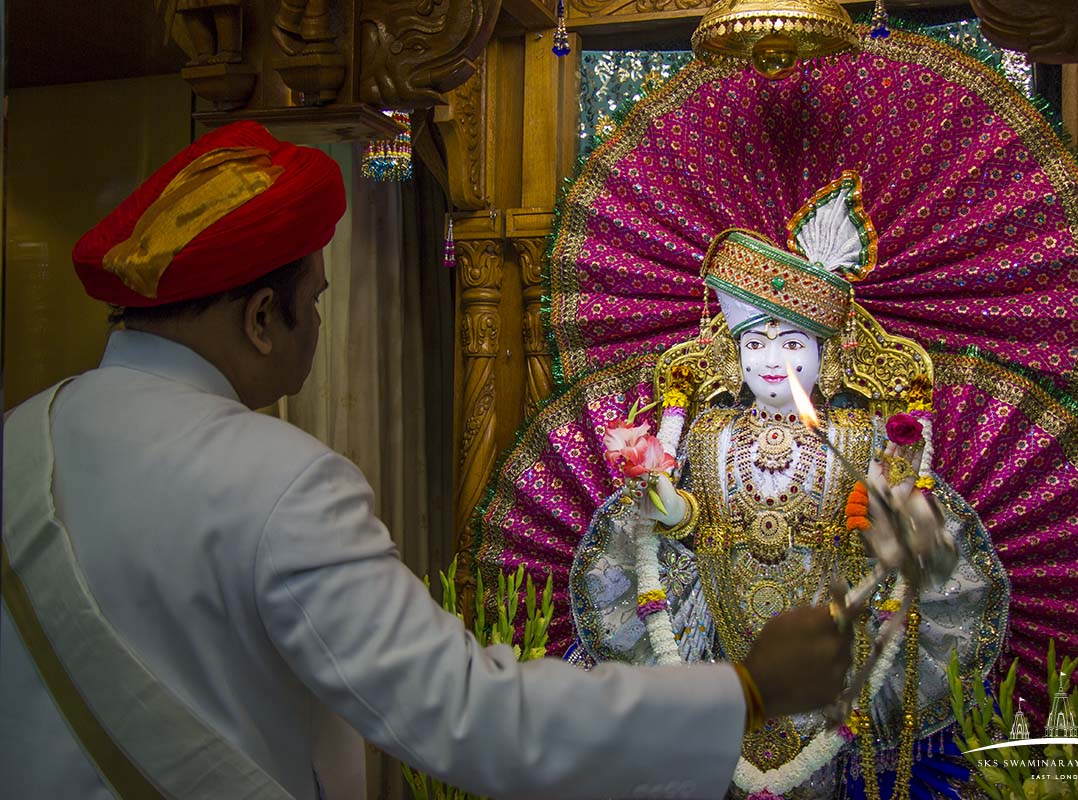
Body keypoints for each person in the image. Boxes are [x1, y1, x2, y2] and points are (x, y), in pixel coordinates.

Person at [0, 121, 855, 800]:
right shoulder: (279, 479)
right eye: (316, 302)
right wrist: (743, 691)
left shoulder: (16, 440)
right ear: (265, 317)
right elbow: (466, 715)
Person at [571, 177, 1010, 798]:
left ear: (825, 355)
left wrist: (887, 519)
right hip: (721, 624)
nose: (770, 359)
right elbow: (690, 522)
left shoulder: (857, 432)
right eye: (754, 343)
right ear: (734, 355)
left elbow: (895, 529)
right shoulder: (710, 428)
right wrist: (666, 498)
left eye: (792, 343)